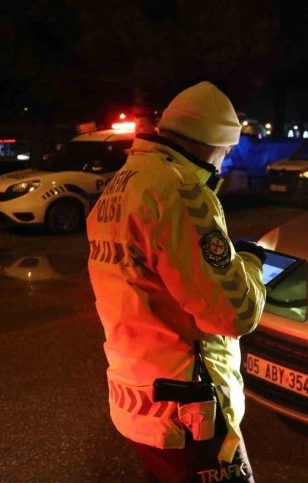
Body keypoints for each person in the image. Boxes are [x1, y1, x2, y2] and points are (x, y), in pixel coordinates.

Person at [86, 81, 267, 482]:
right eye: (227, 151)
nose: (224, 163)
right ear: (216, 144)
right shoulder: (182, 191)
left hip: (139, 402)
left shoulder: (122, 184)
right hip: (189, 414)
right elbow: (237, 314)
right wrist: (252, 262)